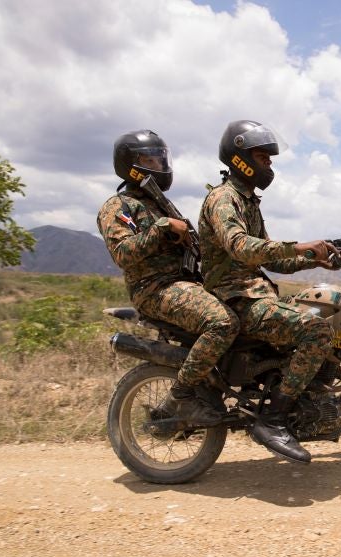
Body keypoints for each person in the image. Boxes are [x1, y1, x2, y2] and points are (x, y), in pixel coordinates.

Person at [198, 120, 336, 463]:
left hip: (256, 293)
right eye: (263, 158)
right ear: (241, 159)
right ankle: (273, 420)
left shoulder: (247, 201)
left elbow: (270, 258)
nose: (269, 165)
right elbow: (242, 247)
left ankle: (294, 396)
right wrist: (299, 245)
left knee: (324, 310)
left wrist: (313, 258)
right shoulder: (223, 199)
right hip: (236, 297)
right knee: (317, 331)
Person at [98, 129, 239, 427]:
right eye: (151, 160)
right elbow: (122, 253)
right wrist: (163, 228)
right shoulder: (118, 206)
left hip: (185, 285)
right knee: (222, 322)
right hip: (155, 288)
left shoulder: (158, 203)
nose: (160, 166)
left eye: (161, 160)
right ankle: (182, 397)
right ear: (131, 164)